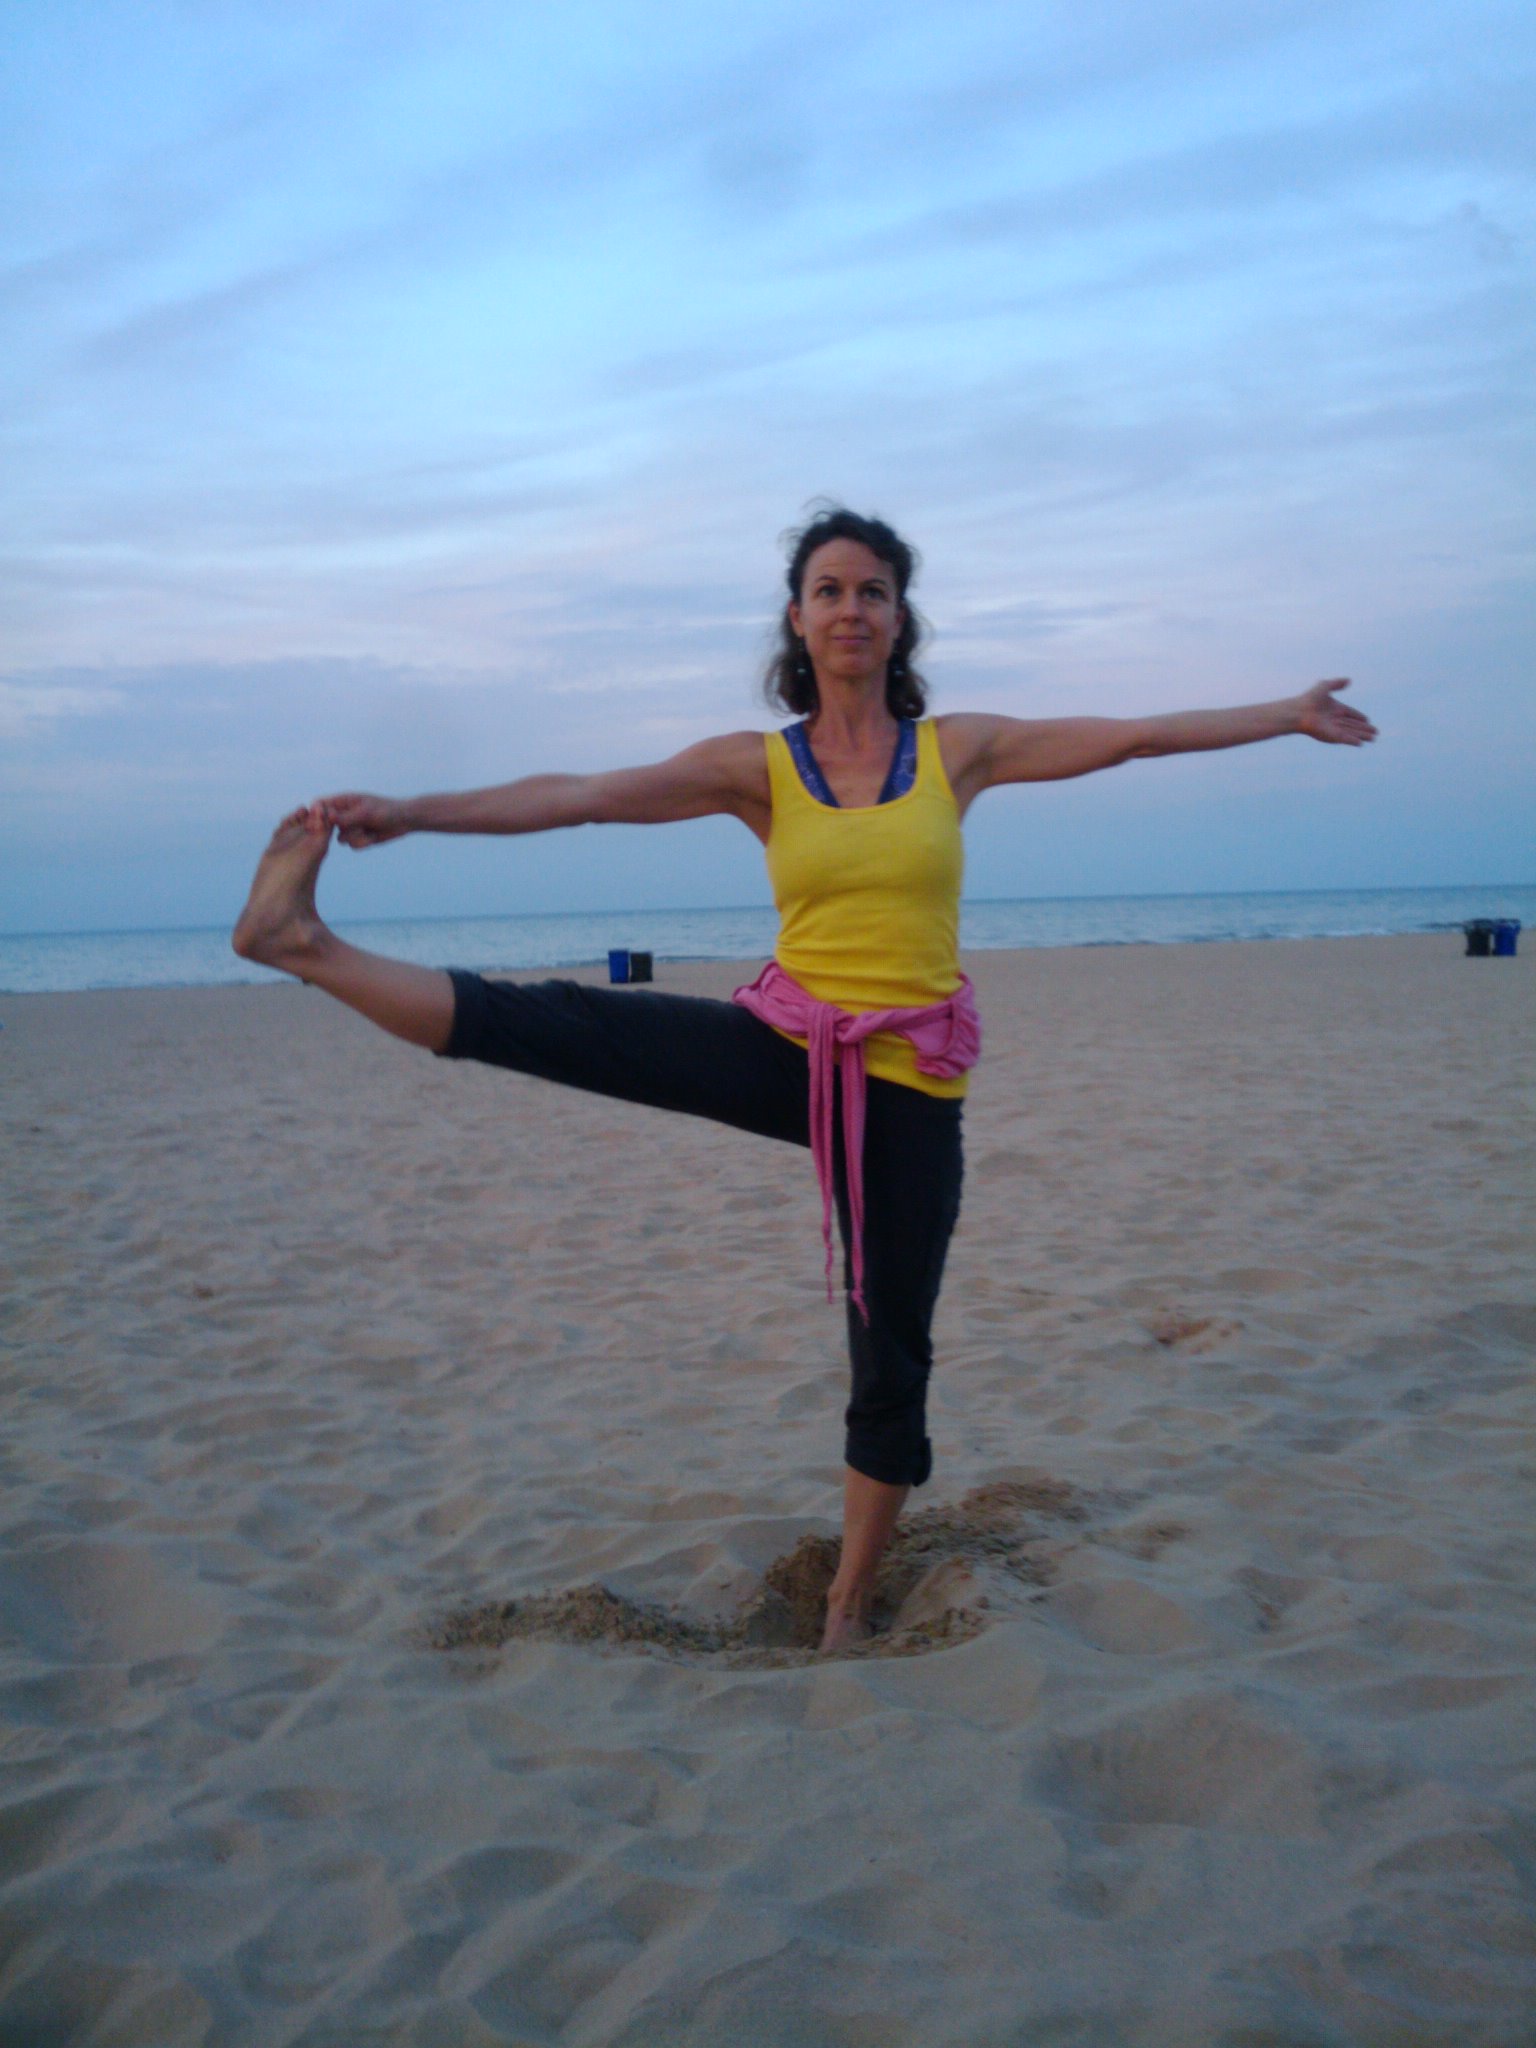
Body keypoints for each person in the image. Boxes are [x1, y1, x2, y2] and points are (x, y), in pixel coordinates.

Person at [232, 505, 1377, 1653]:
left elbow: (1132, 734)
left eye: (872, 591)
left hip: (908, 1088)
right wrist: (413, 812)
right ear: (797, 616)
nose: (850, 609)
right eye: (829, 590)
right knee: (564, 1022)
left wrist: (1281, 715)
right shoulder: (757, 767)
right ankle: (303, 946)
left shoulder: (957, 749)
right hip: (784, 1045)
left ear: (898, 618)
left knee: (892, 1343)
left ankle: (845, 1603)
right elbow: (582, 793)